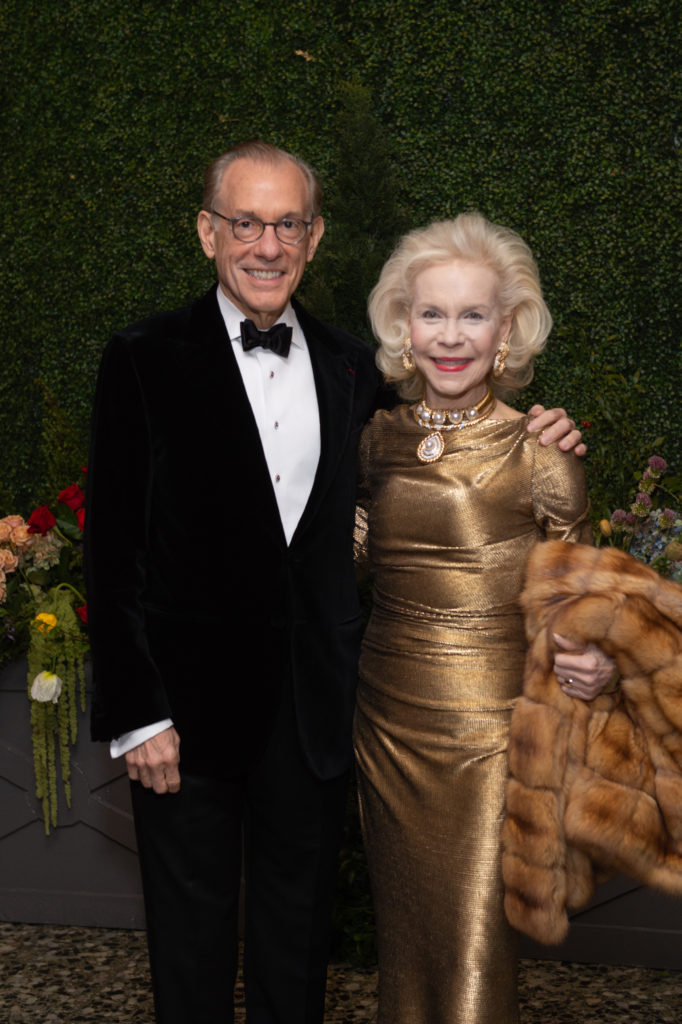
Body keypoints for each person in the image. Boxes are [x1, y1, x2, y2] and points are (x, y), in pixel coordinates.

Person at [85, 143, 585, 1024]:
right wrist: (137, 714)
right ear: (208, 233)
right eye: (246, 222)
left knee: (296, 950)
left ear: (314, 239)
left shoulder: (356, 371)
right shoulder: (142, 359)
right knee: (191, 952)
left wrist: (544, 436)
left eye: (287, 223)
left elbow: (413, 496)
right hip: (183, 721)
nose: (267, 244)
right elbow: (113, 546)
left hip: (319, 719)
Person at [353, 213, 613, 1024]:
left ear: (508, 328)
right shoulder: (375, 439)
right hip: (383, 724)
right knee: (404, 939)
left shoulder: (541, 451)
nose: (451, 336)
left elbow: (584, 596)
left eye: (473, 315)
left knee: (472, 943)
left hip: (489, 736)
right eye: (432, 314)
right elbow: (346, 562)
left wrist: (594, 661)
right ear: (403, 326)